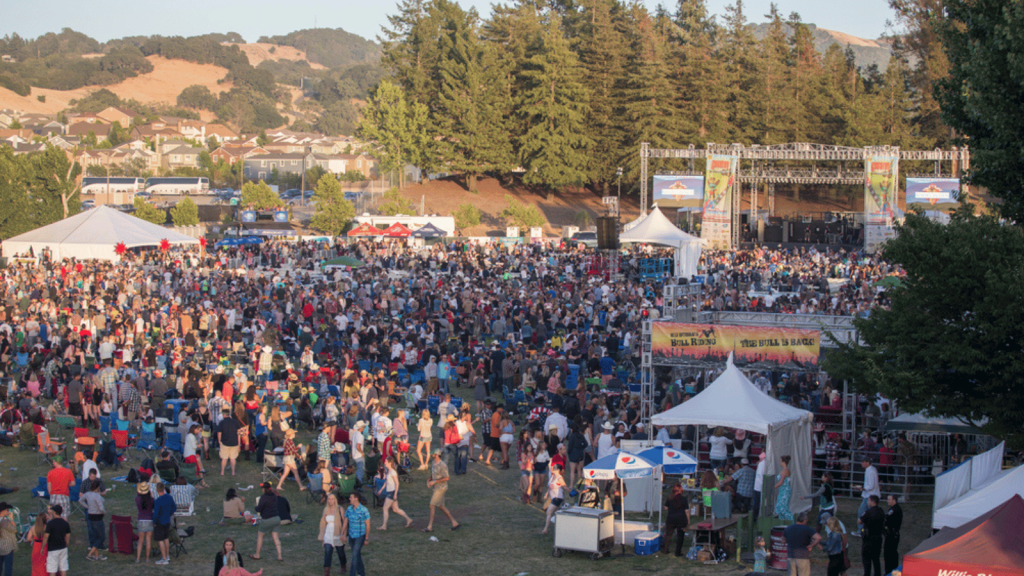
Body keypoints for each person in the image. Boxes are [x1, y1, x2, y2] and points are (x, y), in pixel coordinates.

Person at [424, 448, 460, 532]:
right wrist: (428, 480)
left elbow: (447, 477)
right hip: (436, 487)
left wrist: (435, 481)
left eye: (433, 454)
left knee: (432, 505)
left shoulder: (443, 465)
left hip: (441, 488)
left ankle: (429, 527)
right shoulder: (433, 463)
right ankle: (455, 523)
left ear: (437, 455)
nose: (432, 455)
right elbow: (433, 474)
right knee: (441, 506)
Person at [377, 457, 412, 530]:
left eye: (386, 461)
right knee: (396, 509)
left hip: (392, 492)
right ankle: (409, 519)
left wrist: (395, 494)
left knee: (385, 508)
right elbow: (386, 481)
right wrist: (381, 489)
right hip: (390, 492)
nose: (385, 463)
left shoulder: (393, 472)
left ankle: (384, 526)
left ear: (390, 463)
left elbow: (397, 483)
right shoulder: (388, 471)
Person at [782, 512, 821, 576]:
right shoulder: (807, 529)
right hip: (803, 556)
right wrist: (811, 545)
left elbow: (783, 540)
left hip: (791, 556)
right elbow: (818, 537)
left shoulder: (788, 528)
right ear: (805, 520)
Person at [317, 493, 347, 576]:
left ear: (335, 500)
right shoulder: (326, 509)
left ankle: (343, 566)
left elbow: (344, 522)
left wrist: (344, 534)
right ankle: (326, 572)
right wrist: (322, 535)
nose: (331, 501)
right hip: (328, 533)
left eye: (332, 499)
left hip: (338, 533)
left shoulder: (340, 509)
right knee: (327, 552)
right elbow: (323, 522)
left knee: (340, 552)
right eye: (329, 499)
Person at [252, 482, 283, 562]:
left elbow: (259, 509)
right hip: (276, 518)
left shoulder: (263, 497)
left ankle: (257, 554)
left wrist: (256, 507)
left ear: (264, 489)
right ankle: (279, 555)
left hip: (267, 519)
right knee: (276, 538)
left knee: (260, 536)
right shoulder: (274, 496)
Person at [343, 493, 371, 576]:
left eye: (351, 497)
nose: (349, 499)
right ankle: (361, 573)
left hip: (360, 536)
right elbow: (345, 521)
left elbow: (368, 525)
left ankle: (352, 574)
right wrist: (342, 533)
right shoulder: (349, 509)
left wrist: (366, 538)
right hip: (351, 535)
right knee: (357, 554)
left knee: (354, 555)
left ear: (356, 498)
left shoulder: (364, 510)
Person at [79, 479, 107, 561]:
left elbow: (80, 500)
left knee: (95, 536)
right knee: (101, 537)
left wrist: (87, 507)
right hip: (97, 517)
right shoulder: (97, 496)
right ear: (97, 488)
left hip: (90, 516)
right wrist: (104, 513)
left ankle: (97, 555)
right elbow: (101, 506)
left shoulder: (87, 494)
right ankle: (90, 554)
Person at [661, 483, 690, 557]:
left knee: (668, 535)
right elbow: (687, 511)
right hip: (681, 519)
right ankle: (678, 552)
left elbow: (666, 507)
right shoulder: (684, 499)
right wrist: (688, 521)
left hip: (671, 518)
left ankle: (665, 550)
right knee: (680, 536)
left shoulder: (670, 497)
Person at [859, 495, 885, 576]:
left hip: (868, 539)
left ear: (872, 501)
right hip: (878, 538)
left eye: (869, 500)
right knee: (876, 559)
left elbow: (859, 521)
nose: (868, 502)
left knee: (866, 559)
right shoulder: (881, 511)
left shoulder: (868, 512)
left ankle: (867, 574)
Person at [852, 456, 880, 529]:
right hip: (871, 496)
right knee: (870, 514)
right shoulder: (872, 469)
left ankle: (861, 530)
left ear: (868, 463)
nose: (861, 463)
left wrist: (863, 489)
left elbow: (871, 485)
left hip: (869, 496)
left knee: (862, 513)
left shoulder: (870, 471)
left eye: (863, 462)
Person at [43, 505, 71, 576]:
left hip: (53, 549)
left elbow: (46, 536)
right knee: (63, 568)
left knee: (52, 570)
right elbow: (67, 536)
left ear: (54, 512)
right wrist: (66, 544)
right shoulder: (65, 523)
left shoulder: (50, 523)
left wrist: (42, 547)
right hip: (63, 547)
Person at [153, 482, 176, 565]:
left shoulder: (158, 501)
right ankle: (167, 555)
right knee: (166, 538)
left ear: (157, 490)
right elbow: (174, 507)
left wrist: (154, 522)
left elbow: (155, 514)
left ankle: (164, 558)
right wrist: (169, 513)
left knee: (160, 540)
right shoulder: (169, 497)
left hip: (160, 522)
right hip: (167, 521)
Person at [541, 463, 567, 534]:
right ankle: (563, 528)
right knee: (558, 513)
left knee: (549, 511)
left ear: (558, 470)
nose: (553, 468)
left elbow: (564, 486)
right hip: (553, 497)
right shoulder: (552, 477)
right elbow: (550, 486)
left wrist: (571, 490)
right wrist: (547, 494)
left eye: (555, 467)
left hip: (558, 498)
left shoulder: (559, 478)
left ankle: (545, 529)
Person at [219, 408, 242, 476]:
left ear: (223, 415)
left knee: (224, 458)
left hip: (225, 442)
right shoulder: (235, 422)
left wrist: (219, 441)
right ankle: (233, 472)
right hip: (234, 442)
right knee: (233, 458)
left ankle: (222, 472)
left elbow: (219, 433)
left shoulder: (222, 422)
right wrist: (239, 443)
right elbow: (239, 433)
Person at [135, 481, 154, 564]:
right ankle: (147, 558)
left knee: (140, 541)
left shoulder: (137, 499)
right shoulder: (151, 500)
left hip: (141, 520)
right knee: (148, 540)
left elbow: (137, 496)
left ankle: (138, 558)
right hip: (149, 519)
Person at [883, 494, 902, 574]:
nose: (887, 501)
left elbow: (886, 518)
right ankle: (892, 571)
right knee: (891, 553)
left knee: (889, 553)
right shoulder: (895, 508)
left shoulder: (894, 510)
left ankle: (890, 571)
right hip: (893, 534)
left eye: (889, 499)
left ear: (894, 500)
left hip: (892, 535)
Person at [774, 455, 794, 521]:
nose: (780, 463)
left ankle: (791, 520)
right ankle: (782, 522)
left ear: (783, 462)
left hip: (784, 491)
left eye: (780, 461)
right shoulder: (785, 470)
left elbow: (781, 482)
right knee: (781, 507)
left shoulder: (785, 471)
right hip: (783, 491)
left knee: (782, 508)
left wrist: (773, 487)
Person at [0, 502, 16, 576]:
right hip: (7, 547)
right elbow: (15, 530)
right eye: (7, 509)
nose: (8, 511)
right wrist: (12, 519)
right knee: (8, 566)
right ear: (3, 511)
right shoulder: (5, 521)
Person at [30, 510, 48, 576]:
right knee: (44, 564)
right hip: (45, 546)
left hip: (36, 547)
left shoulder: (33, 528)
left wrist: (33, 539)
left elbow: (28, 538)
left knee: (36, 564)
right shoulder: (47, 527)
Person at [753, 451, 766, 522]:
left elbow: (760, 475)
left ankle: (755, 518)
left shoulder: (761, 464)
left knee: (757, 503)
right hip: (760, 486)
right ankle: (757, 517)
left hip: (758, 487)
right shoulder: (763, 464)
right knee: (758, 503)